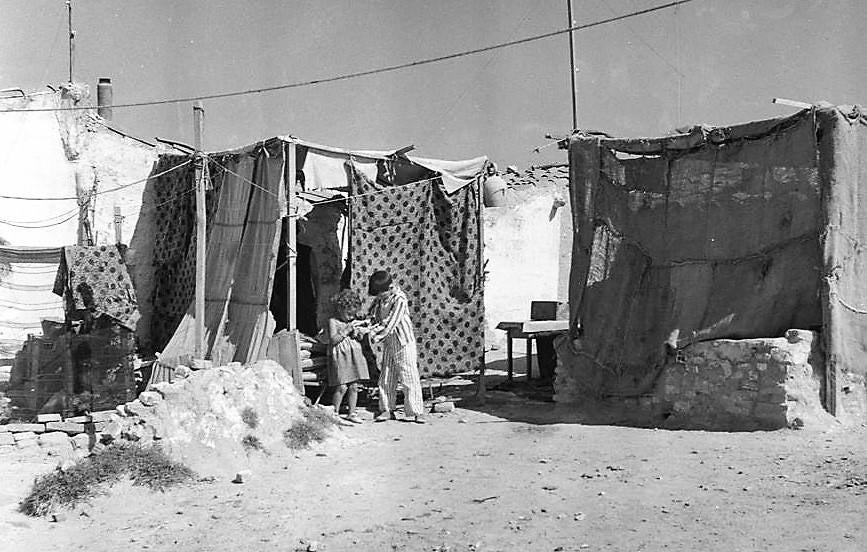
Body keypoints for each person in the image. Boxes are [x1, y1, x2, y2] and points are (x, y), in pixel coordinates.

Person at [367, 270, 426, 424]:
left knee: (408, 376)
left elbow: (391, 323)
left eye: (381, 293)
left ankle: (416, 411)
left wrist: (375, 335)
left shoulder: (400, 299)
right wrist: (364, 326)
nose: (379, 296)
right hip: (389, 342)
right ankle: (387, 409)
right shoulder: (380, 301)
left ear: (390, 287)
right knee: (387, 376)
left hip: (403, 342)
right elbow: (374, 318)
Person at [323, 289, 370, 425]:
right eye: (348, 314)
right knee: (342, 386)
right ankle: (335, 412)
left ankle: (352, 413)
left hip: (353, 356)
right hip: (340, 357)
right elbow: (333, 340)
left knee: (354, 386)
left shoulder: (352, 321)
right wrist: (345, 331)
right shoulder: (333, 321)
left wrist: (358, 333)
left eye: (353, 314)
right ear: (340, 308)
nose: (350, 317)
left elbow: (358, 338)